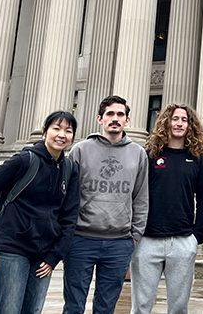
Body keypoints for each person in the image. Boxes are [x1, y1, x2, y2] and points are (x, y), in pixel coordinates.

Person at [0, 111, 81, 314]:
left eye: (68, 131)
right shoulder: (24, 160)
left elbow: (69, 217)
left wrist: (55, 256)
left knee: (33, 310)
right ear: (45, 131)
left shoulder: (70, 169)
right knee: (9, 310)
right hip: (13, 246)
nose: (62, 134)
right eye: (56, 128)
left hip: (45, 253)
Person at [63, 96, 148, 314]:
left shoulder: (138, 154)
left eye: (120, 114)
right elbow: (66, 195)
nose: (115, 119)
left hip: (119, 243)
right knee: (74, 306)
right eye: (110, 114)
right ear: (100, 119)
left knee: (105, 308)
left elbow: (140, 197)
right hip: (81, 239)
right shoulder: (80, 151)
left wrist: (135, 235)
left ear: (127, 120)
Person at [130, 103, 203, 314]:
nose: (179, 123)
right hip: (147, 240)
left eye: (184, 120)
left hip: (183, 241)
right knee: (141, 307)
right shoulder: (149, 155)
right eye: (175, 119)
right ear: (166, 122)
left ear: (190, 125)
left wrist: (197, 237)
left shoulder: (198, 159)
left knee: (178, 308)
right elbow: (135, 195)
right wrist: (135, 233)